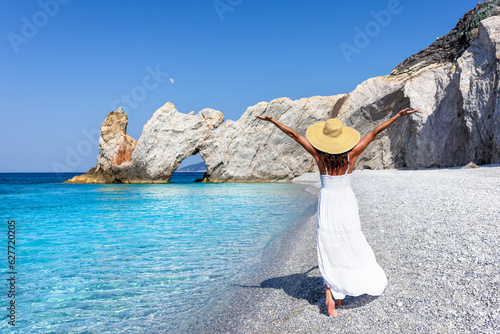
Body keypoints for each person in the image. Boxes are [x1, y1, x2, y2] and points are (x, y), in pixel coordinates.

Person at [255, 108, 419, 317]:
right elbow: (374, 132)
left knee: (328, 247)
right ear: (342, 139)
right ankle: (342, 296)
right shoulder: (351, 155)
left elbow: (294, 135)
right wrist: (397, 116)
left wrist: (273, 121)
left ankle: (331, 297)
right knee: (349, 241)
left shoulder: (319, 157)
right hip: (346, 202)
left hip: (328, 204)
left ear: (324, 140)